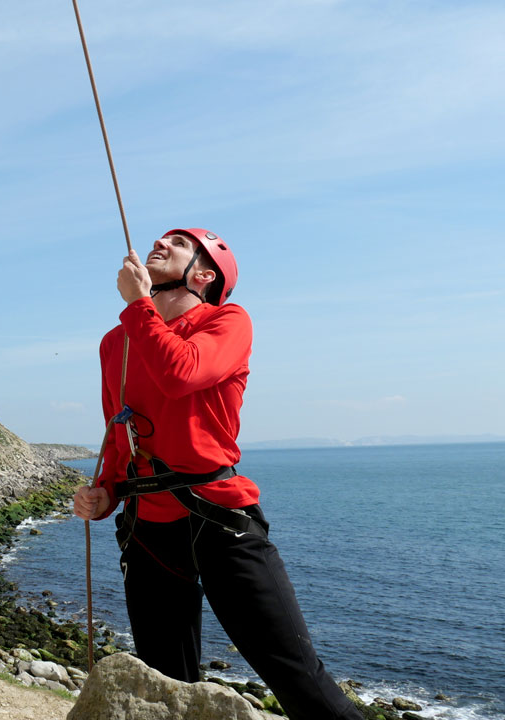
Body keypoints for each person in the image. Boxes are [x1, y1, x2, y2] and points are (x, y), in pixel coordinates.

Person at [73, 229, 362, 720]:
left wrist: (140, 305)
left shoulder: (227, 320)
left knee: (295, 674)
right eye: (160, 239)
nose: (160, 244)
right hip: (147, 527)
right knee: (168, 681)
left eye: (178, 244)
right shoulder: (116, 341)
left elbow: (180, 372)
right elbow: (118, 432)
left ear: (204, 275)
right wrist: (106, 493)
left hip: (220, 518)